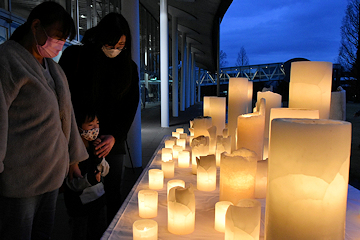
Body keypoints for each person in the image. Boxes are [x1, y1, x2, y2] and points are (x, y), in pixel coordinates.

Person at [0, 2, 88, 240]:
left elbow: (65, 117)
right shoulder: (7, 60)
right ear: (36, 26)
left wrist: (73, 161)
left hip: (51, 176)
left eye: (63, 40)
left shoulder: (52, 68)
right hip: (20, 181)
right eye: (57, 37)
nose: (59, 45)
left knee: (43, 234)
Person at [59, 12, 140, 224]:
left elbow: (129, 108)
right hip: (80, 141)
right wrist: (77, 138)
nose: (115, 49)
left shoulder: (128, 68)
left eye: (121, 44)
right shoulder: (77, 57)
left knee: (113, 195)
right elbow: (63, 100)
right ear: (100, 37)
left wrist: (114, 136)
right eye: (111, 43)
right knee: (84, 199)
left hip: (112, 143)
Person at [64, 107, 110, 240]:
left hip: (99, 200)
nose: (95, 128)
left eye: (97, 124)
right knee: (80, 234)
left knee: (100, 232)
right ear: (78, 127)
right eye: (90, 125)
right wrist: (90, 178)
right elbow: (72, 184)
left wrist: (99, 158)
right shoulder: (73, 153)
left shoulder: (96, 145)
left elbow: (105, 171)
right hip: (80, 207)